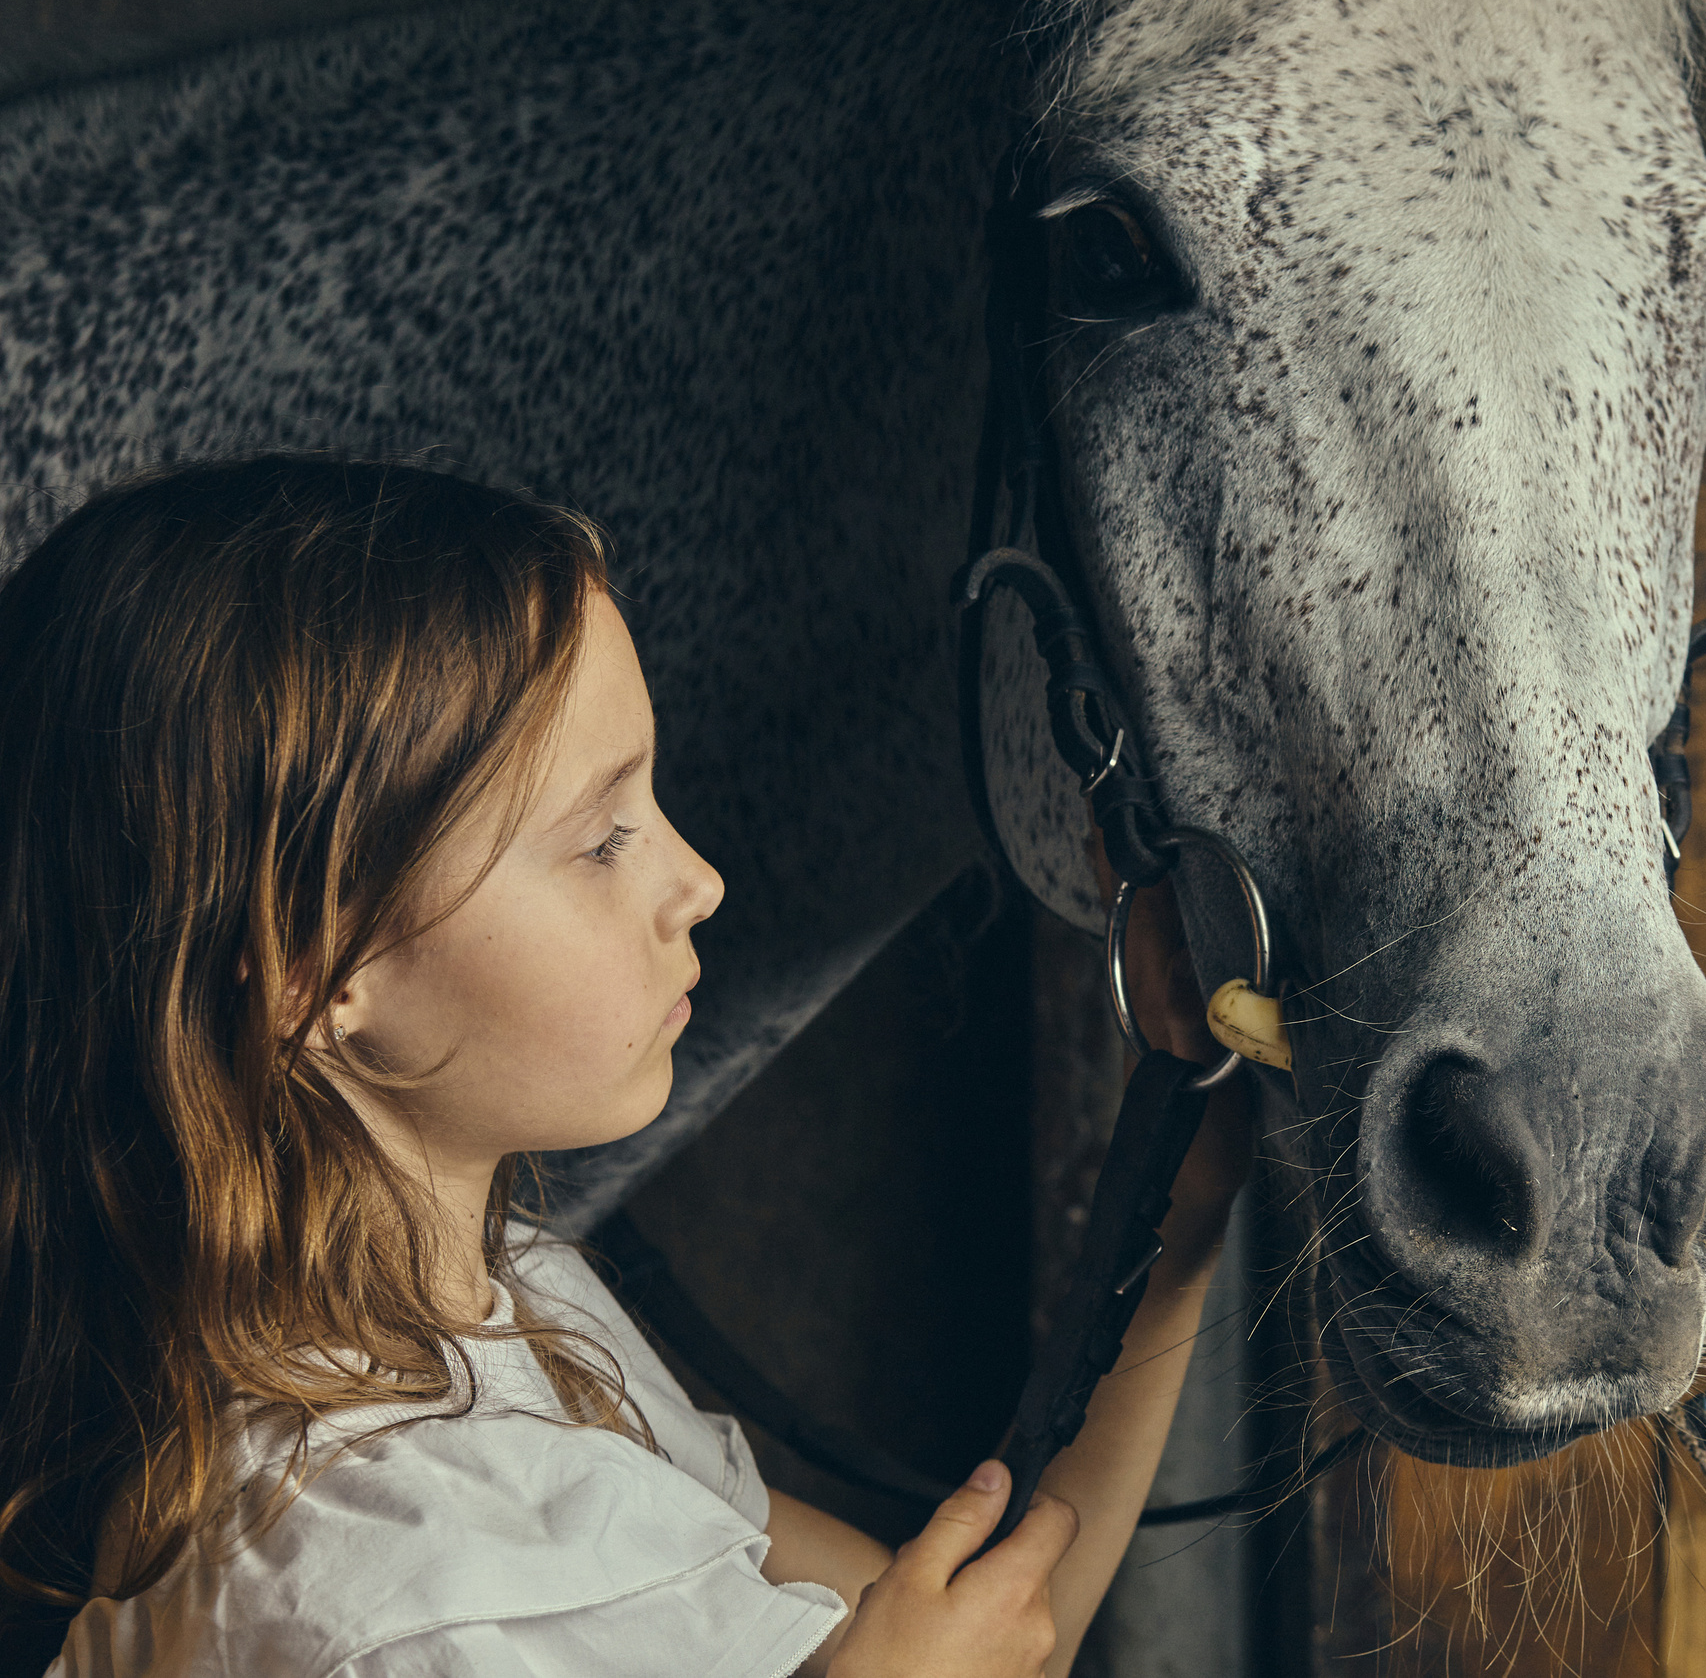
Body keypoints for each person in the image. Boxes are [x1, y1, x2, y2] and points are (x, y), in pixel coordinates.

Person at [0, 456, 1248, 1678]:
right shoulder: (404, 1603)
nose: (696, 883)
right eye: (601, 840)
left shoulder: (516, 1307)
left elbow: (994, 1641)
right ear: (316, 976)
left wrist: (1181, 1192)